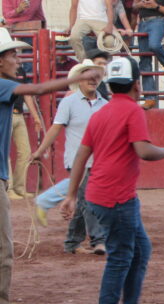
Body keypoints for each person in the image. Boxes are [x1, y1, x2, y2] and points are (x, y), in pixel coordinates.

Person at [59, 56, 164, 304]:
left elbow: (81, 155)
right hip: (117, 197)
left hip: (105, 194)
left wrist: (70, 195)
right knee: (122, 257)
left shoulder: (101, 112)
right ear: (137, 85)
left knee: (139, 250)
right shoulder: (131, 111)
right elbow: (143, 150)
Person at [0, 27, 102, 304]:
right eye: (13, 54)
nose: (18, 58)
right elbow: (39, 90)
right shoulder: (4, 85)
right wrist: (75, 79)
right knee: (3, 250)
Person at [31, 60, 108, 255]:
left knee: (83, 201)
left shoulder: (105, 105)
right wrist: (40, 151)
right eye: (88, 76)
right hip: (77, 161)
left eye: (95, 76)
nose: (92, 80)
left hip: (98, 161)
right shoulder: (69, 102)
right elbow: (55, 128)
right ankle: (98, 240)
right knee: (89, 200)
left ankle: (73, 242)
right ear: (80, 79)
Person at [133, 0, 164, 110]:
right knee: (144, 60)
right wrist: (141, 4)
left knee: (154, 45)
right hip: (142, 23)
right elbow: (134, 6)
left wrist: (156, 6)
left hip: (158, 21)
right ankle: (150, 98)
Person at [7, 65, 42, 200]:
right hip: (7, 114)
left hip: (18, 114)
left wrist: (36, 116)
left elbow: (26, 94)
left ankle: (18, 188)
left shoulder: (19, 70)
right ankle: (10, 188)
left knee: (25, 152)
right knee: (7, 153)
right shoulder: (17, 70)